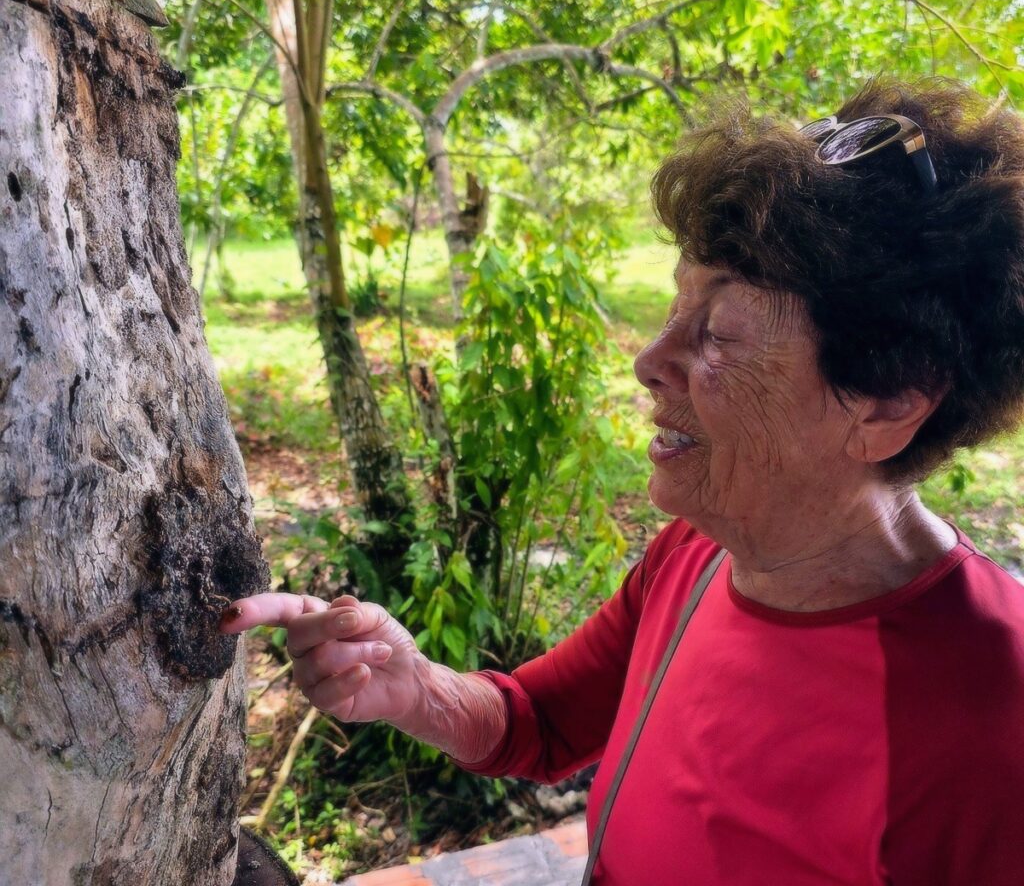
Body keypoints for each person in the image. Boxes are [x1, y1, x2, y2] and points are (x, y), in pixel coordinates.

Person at [220, 78, 1024, 885]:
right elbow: (536, 723)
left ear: (888, 402)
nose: (649, 363)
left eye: (720, 334)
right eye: (677, 305)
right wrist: (410, 686)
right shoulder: (695, 555)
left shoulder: (992, 712)